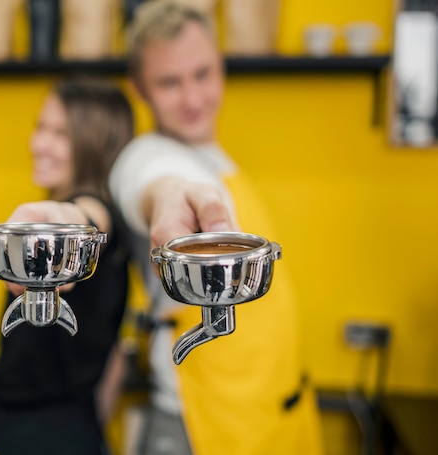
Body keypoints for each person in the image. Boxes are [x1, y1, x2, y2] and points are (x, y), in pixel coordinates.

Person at [108, 1, 324, 454]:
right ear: (139, 89)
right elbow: (154, 182)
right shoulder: (145, 157)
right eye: (169, 82)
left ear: (220, 66)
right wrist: (171, 200)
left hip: (273, 417)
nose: (191, 98)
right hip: (199, 427)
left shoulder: (219, 161)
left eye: (202, 74)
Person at [0, 78, 134, 455]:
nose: (39, 144)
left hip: (42, 436)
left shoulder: (96, 217)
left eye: (61, 133)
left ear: (96, 144)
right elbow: (119, 351)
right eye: (40, 127)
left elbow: (87, 217)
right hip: (57, 428)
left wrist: (58, 218)